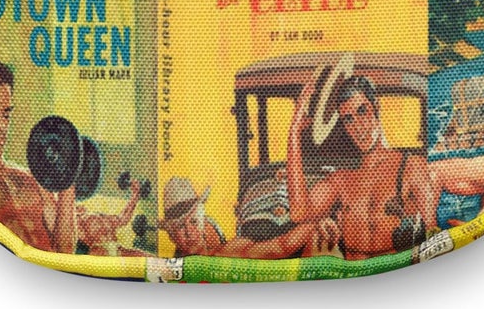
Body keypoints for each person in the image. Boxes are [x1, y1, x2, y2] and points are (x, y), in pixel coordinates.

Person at [0, 56, 138, 254]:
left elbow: (64, 250)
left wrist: (68, 179)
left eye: (6, 115)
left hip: (49, 268)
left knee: (134, 255)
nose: (1, 126)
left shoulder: (31, 179)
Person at [286, 67, 433, 260]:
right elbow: (299, 213)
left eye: (362, 111)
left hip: (399, 272)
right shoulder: (341, 180)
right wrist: (294, 132)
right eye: (348, 119)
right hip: (353, 275)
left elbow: (432, 233)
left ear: (376, 107)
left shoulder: (411, 167)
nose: (357, 126)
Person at [159, 175, 342, 260]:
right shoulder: (165, 266)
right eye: (180, 227)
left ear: (202, 222)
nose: (189, 232)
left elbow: (280, 246)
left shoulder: (228, 251)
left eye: (193, 222)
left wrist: (315, 224)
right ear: (171, 235)